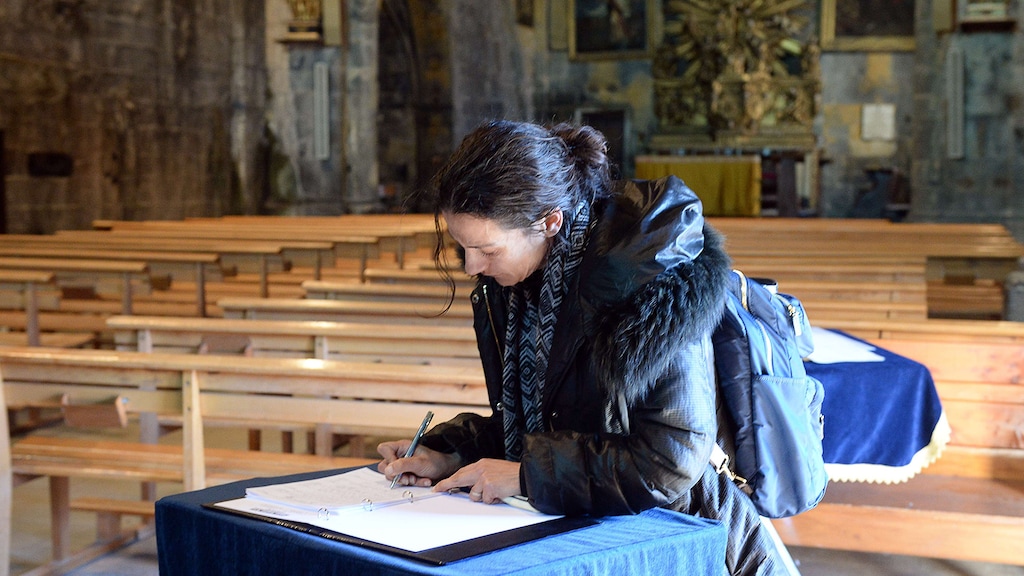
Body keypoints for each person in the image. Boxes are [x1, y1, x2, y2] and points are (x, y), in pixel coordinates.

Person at [378, 120, 789, 575]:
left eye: (488, 250)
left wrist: (526, 476)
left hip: (683, 539)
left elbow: (671, 459)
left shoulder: (648, 280)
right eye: (463, 247)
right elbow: (549, 422)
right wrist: (451, 452)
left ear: (550, 221)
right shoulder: (519, 288)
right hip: (590, 528)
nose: (473, 267)